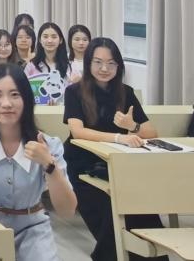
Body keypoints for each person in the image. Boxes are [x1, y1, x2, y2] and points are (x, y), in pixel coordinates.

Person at [0, 64, 77, 261]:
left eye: (15, 95)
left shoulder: (48, 145)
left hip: (33, 228)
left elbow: (67, 210)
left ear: (27, 99)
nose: (6, 103)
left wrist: (50, 166)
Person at [63, 37, 167, 261]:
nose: (104, 69)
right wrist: (120, 137)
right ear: (88, 63)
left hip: (120, 165)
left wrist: (132, 126)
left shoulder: (126, 92)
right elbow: (77, 132)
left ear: (119, 66)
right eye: (98, 62)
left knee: (141, 209)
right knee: (109, 213)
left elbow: (151, 133)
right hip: (85, 165)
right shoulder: (74, 92)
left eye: (111, 63)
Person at [25, 23, 73, 104]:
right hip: (37, 109)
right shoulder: (31, 65)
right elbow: (23, 88)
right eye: (45, 37)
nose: (49, 40)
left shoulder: (69, 65)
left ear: (60, 40)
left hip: (63, 109)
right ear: (40, 40)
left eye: (54, 37)